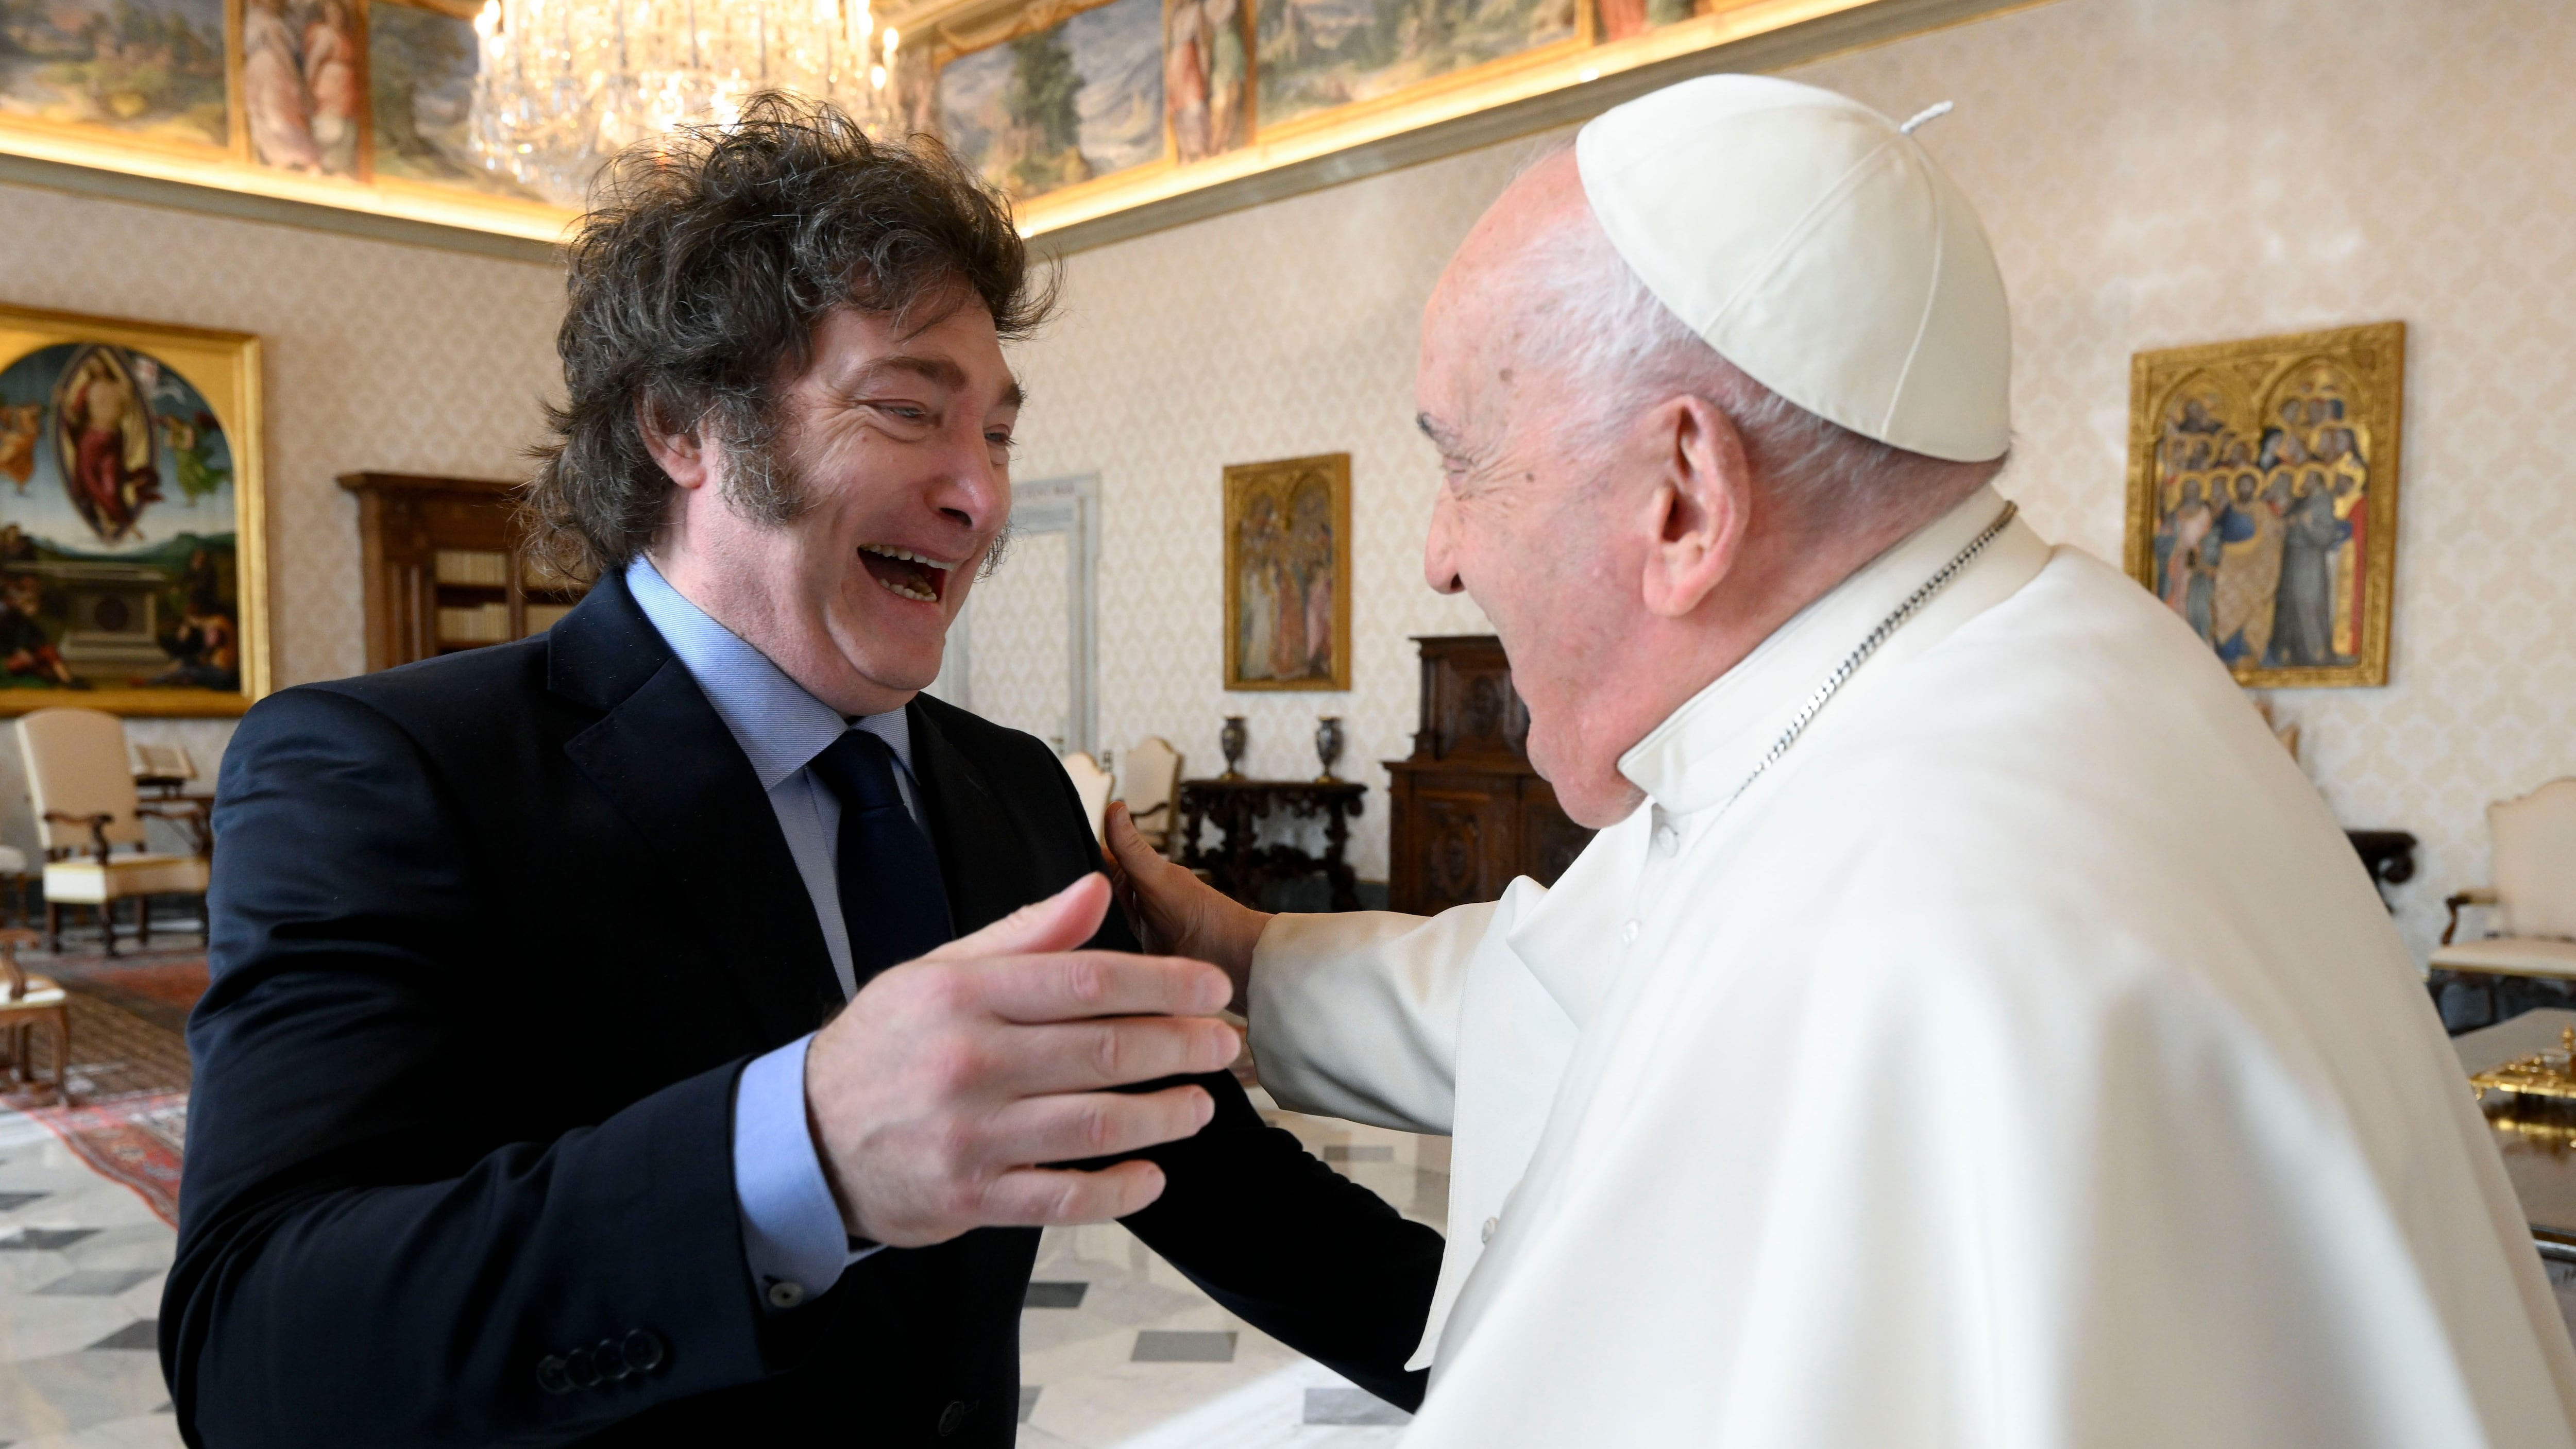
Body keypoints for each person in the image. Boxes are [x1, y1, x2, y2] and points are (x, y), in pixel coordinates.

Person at [1107, 74, 2576, 1448]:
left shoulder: (1911, 902)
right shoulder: (2016, 663)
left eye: (1462, 461)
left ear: (1684, 495)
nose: (1437, 554)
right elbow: (1581, 975)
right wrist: (1230, 949)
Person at [163, 97, 1439, 1446]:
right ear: (684, 426)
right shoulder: (382, 773)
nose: (983, 497)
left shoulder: (1015, 794)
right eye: (908, 410)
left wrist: (1577, 1352)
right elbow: (260, 1352)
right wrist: (797, 1153)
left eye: (998, 435)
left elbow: (1226, 1186)